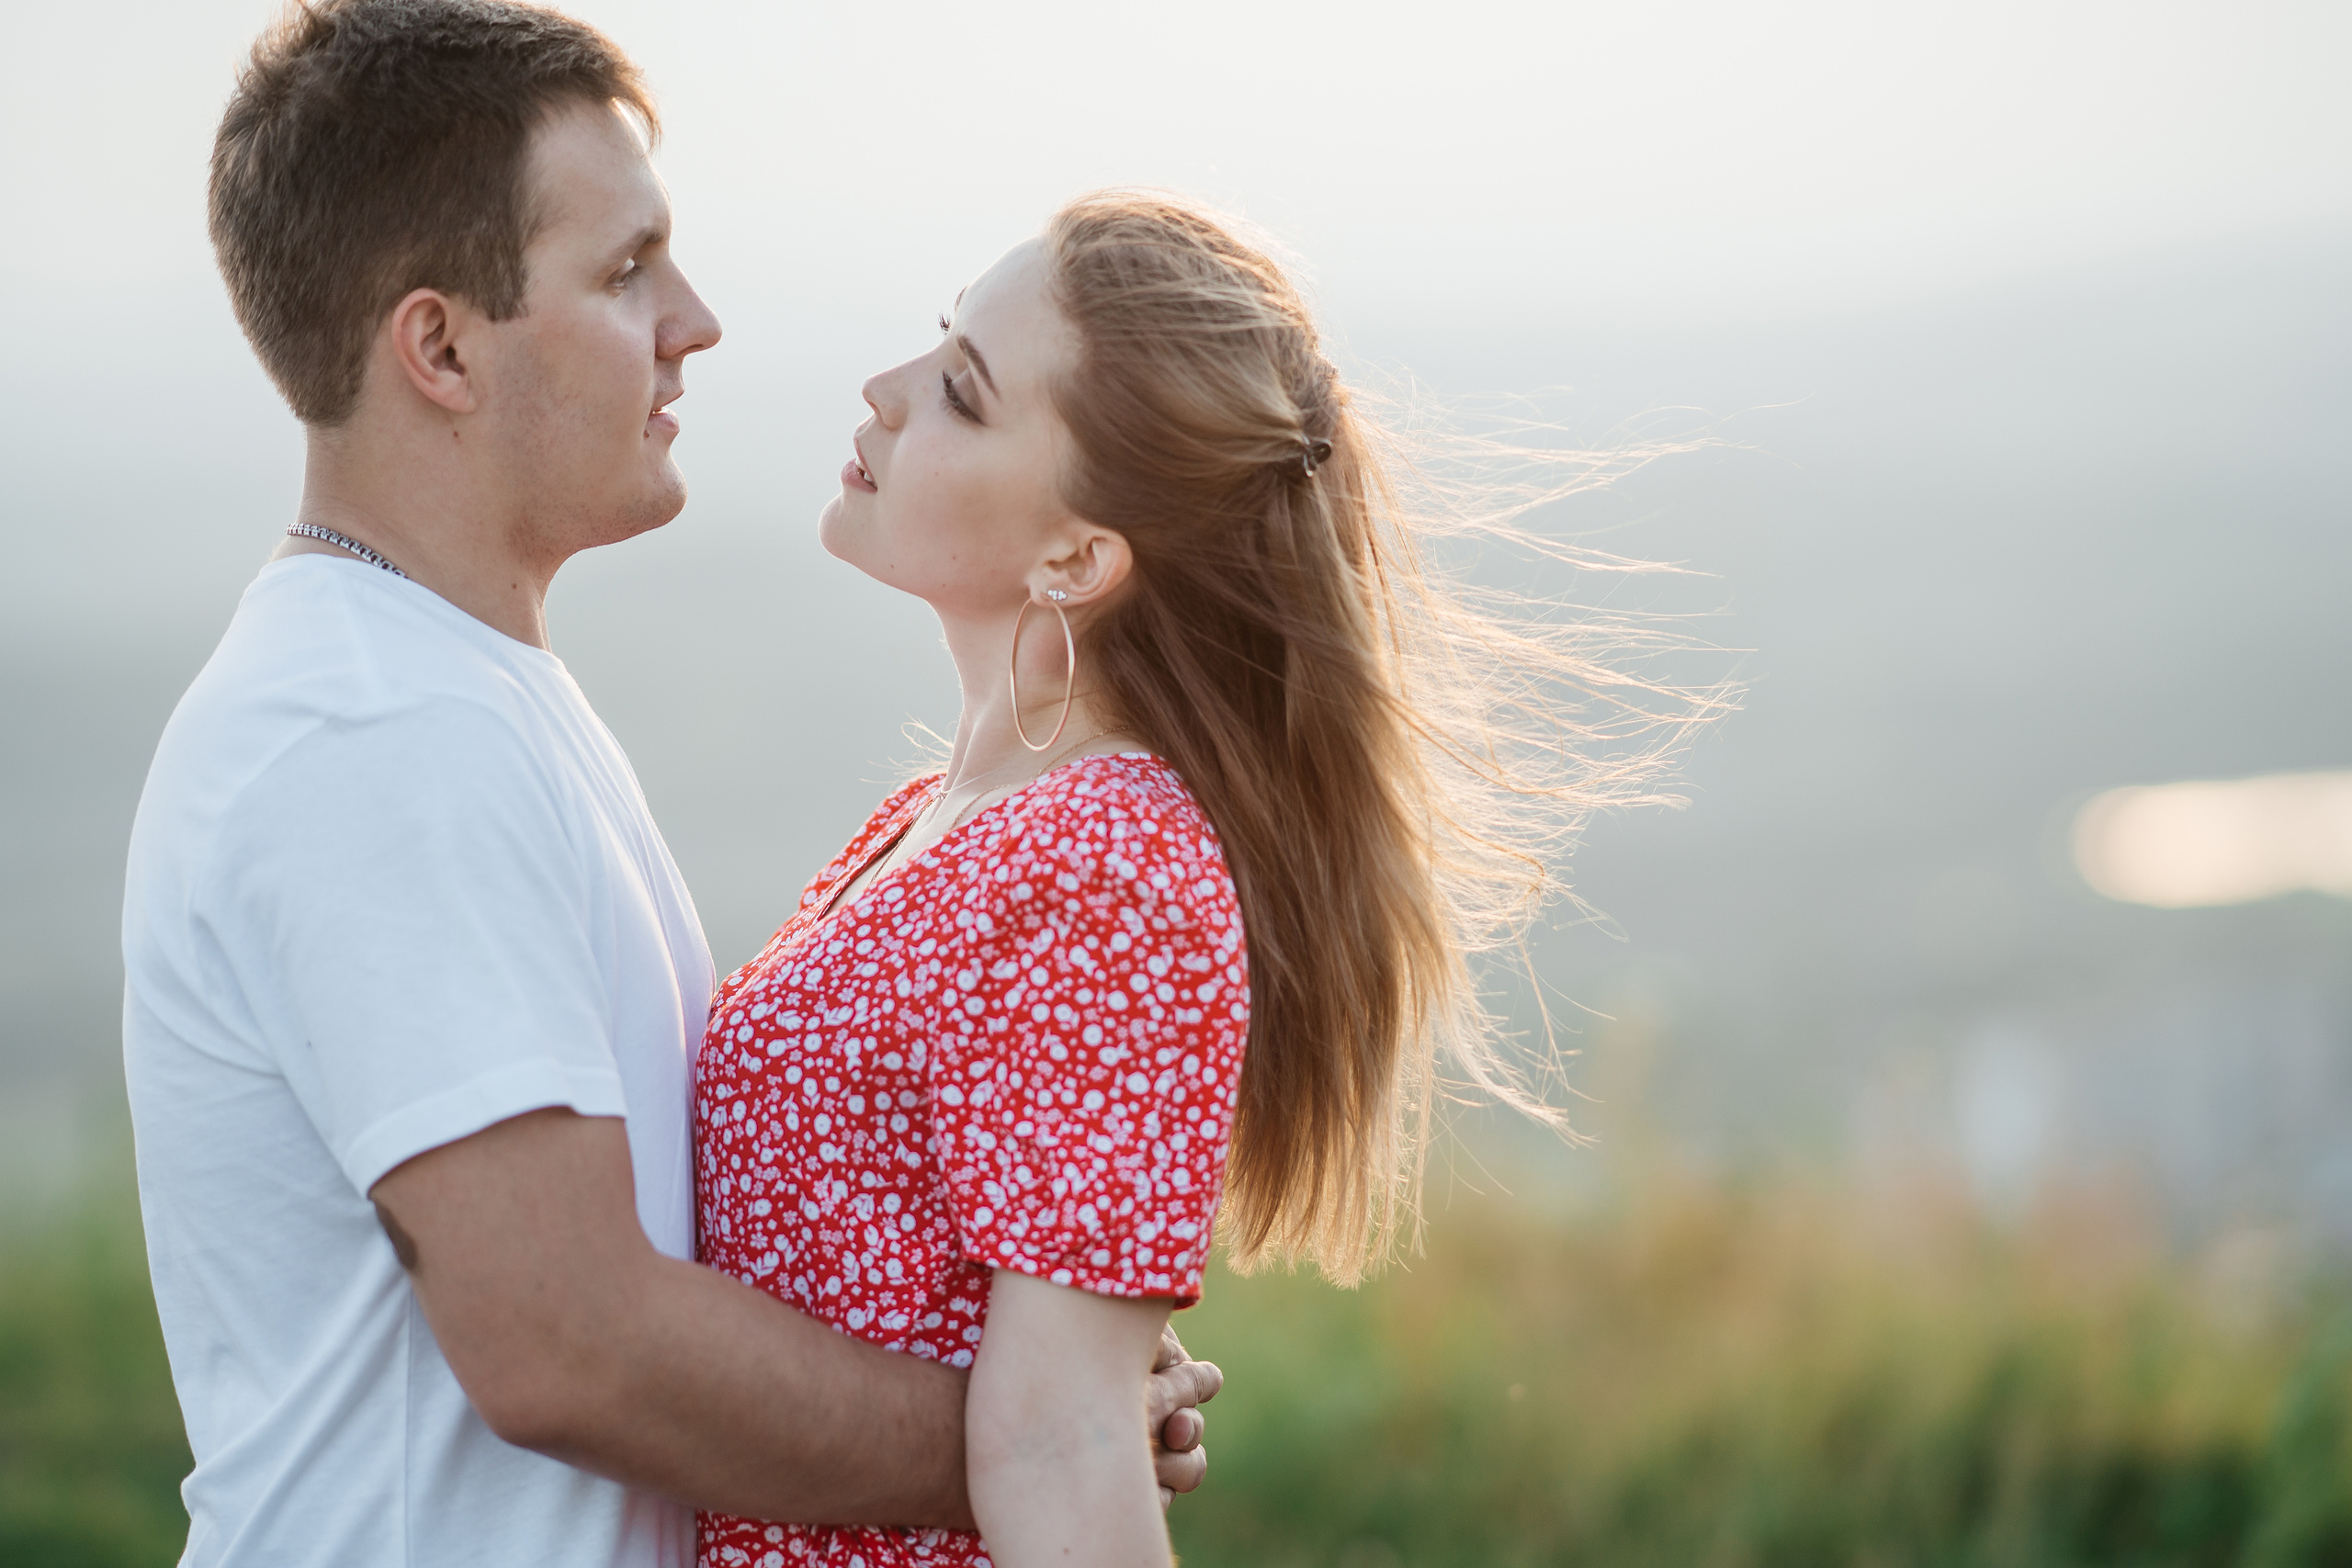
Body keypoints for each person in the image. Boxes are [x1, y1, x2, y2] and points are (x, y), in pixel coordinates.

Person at [120, 6, 1214, 1566]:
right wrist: (1026, 1434)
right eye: (626, 272)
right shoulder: (373, 730)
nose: (693, 320)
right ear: (439, 348)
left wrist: (1062, 1406)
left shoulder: (463, 690)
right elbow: (568, 1341)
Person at [694, 193, 1694, 1567]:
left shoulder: (1107, 861)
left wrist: (1103, 1407)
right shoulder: (939, 820)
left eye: (963, 394)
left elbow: (1063, 1442)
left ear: (1078, 556)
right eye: (936, 346)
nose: (885, 390)